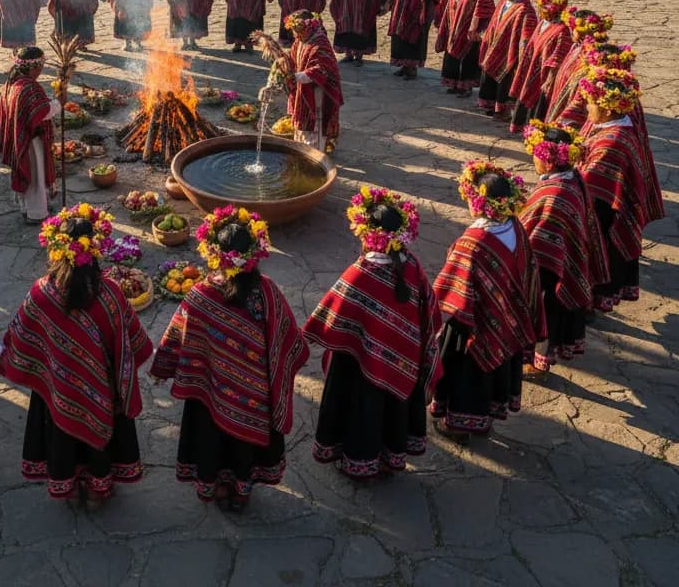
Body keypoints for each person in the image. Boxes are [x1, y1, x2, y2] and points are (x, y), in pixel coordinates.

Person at [150, 206, 308, 511]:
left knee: (212, 439)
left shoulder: (200, 296)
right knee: (244, 446)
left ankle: (218, 486)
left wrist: (162, 367)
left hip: (210, 394)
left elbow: (176, 336)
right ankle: (242, 489)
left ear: (214, 254)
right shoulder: (267, 292)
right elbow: (291, 341)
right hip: (255, 400)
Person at [0, 203, 152, 510]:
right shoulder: (110, 294)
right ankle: (97, 489)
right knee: (101, 435)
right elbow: (134, 341)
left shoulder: (41, 294)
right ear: (95, 251)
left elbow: (19, 338)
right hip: (104, 396)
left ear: (57, 252)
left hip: (59, 393)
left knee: (63, 436)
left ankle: (68, 486)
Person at [302, 187, 442, 479]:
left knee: (363, 412)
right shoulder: (412, 266)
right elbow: (430, 313)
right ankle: (390, 458)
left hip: (358, 368)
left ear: (368, 235)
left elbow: (329, 317)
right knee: (391, 411)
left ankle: (360, 462)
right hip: (403, 363)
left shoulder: (359, 274)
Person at [431, 162, 543, 440]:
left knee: (467, 377)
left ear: (480, 202)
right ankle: (486, 418)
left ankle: (458, 426)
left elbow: (449, 288)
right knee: (495, 372)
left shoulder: (472, 242)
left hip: (472, 328)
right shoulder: (515, 226)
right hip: (507, 321)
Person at [519, 122, 605, 370]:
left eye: (536, 155)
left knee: (547, 310)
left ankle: (539, 360)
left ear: (548, 162)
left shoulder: (555, 194)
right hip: (563, 258)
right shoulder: (572, 177)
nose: (533, 160)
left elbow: (536, 235)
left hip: (552, 266)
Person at [577, 67, 660, 310]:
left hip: (606, 214)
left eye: (591, 104)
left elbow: (589, 180)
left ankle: (592, 302)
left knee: (601, 257)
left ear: (608, 109)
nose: (587, 108)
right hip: (605, 206)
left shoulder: (612, 143)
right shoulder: (616, 127)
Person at [0, 47, 63, 223]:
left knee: (30, 175)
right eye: (41, 67)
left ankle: (27, 208)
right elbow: (42, 111)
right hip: (31, 140)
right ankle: (37, 213)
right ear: (34, 67)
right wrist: (59, 103)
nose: (41, 70)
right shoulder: (28, 87)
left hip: (21, 136)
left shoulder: (13, 81)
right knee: (35, 176)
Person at [508, 0, 571, 133]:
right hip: (531, 67)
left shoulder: (562, 29)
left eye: (544, 7)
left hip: (543, 74)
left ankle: (534, 131)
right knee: (525, 94)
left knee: (538, 102)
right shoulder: (542, 23)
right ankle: (521, 125)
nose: (540, 9)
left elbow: (558, 55)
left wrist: (550, 77)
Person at [477, 0, 536, 119]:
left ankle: (503, 110)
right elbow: (494, 22)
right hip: (495, 46)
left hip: (510, 51)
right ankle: (490, 105)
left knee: (505, 80)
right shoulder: (503, 3)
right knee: (491, 75)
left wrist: (522, 51)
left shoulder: (525, 8)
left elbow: (527, 32)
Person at [436, 0, 495, 98]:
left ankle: (466, 86)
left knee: (468, 58)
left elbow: (486, 10)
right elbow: (445, 2)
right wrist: (441, 20)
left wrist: (476, 28)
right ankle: (453, 83)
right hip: (453, 27)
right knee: (452, 55)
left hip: (470, 32)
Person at [283, 10, 343, 152]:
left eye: (297, 29)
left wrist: (296, 77)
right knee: (303, 122)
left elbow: (322, 69)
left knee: (315, 123)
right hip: (303, 88)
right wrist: (282, 64)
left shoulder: (320, 43)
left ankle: (314, 154)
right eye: (293, 30)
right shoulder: (301, 40)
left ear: (308, 26)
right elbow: (292, 58)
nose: (295, 34)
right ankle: (302, 149)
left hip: (318, 92)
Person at [543, 7, 614, 124]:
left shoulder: (594, 56)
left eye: (572, 30)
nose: (571, 32)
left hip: (576, 103)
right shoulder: (578, 47)